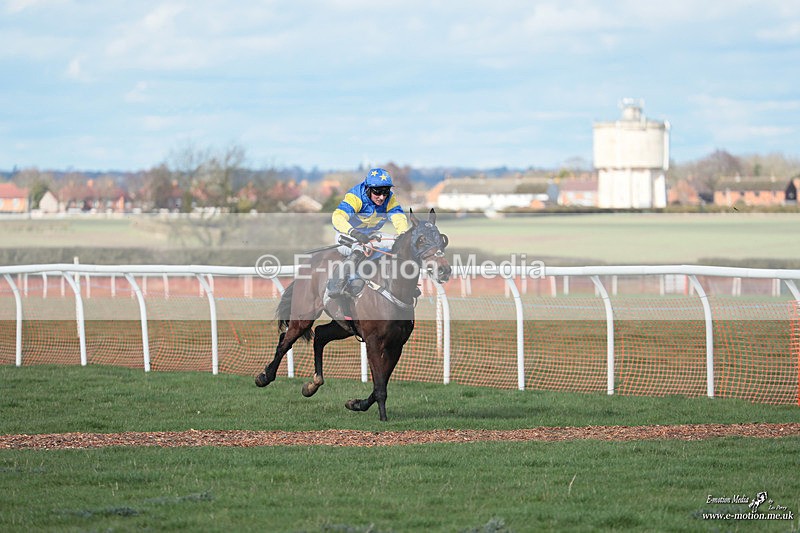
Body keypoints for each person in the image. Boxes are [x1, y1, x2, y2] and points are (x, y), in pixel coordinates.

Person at [327, 168, 409, 298]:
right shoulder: (355, 196)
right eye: (377, 192)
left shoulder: (389, 198)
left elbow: (398, 217)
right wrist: (353, 232)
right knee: (361, 247)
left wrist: (403, 235)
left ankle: (406, 284)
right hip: (347, 235)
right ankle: (337, 284)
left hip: (371, 235)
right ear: (368, 188)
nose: (382, 197)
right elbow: (337, 217)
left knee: (400, 244)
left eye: (386, 192)